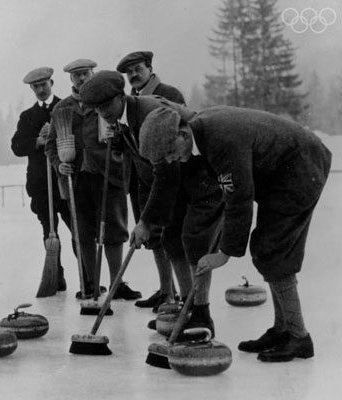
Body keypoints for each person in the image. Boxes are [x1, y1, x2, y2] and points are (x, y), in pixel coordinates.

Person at [139, 105, 331, 361]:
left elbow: (239, 197)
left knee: (273, 251)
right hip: (284, 171)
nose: (172, 160)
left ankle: (299, 338)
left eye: (171, 153)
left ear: (182, 134)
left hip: (302, 168)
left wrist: (225, 253)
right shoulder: (201, 133)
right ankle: (282, 329)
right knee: (268, 250)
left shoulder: (220, 141)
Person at [80, 71, 222, 337]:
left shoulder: (149, 113)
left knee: (192, 240)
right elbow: (146, 165)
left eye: (107, 105)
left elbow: (166, 170)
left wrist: (145, 221)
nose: (104, 112)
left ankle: (201, 313)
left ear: (121, 97)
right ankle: (187, 308)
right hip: (173, 179)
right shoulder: (121, 119)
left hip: (198, 176)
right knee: (170, 240)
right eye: (98, 109)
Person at [45, 60, 141, 300]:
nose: (81, 79)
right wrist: (60, 164)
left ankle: (117, 283)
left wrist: (117, 141)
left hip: (109, 174)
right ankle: (90, 283)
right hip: (77, 180)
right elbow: (50, 147)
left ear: (93, 74)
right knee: (83, 233)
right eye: (76, 76)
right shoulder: (62, 109)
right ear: (70, 79)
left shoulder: (108, 101)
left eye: (85, 74)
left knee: (114, 229)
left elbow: (128, 135)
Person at [116, 51, 191, 311]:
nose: (133, 75)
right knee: (152, 237)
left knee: (171, 235)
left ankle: (183, 296)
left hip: (166, 178)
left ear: (150, 68)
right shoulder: (128, 102)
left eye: (138, 69)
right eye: (129, 72)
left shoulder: (168, 94)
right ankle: (165, 290)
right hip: (141, 178)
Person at [11, 67, 73, 292]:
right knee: (49, 232)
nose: (40, 89)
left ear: (52, 83)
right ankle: (56, 275)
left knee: (77, 229)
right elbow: (16, 146)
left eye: (43, 85)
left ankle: (87, 277)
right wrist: (37, 141)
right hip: (41, 186)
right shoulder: (27, 117)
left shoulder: (66, 107)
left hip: (65, 183)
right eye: (36, 87)